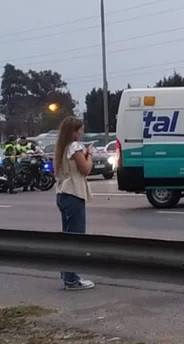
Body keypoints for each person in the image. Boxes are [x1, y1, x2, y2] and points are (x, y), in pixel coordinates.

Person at [53, 116, 95, 290]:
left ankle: (66, 274)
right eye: (80, 130)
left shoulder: (60, 148)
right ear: (74, 132)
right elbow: (85, 169)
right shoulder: (75, 146)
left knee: (67, 236)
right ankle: (71, 279)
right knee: (76, 239)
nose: (82, 132)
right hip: (74, 194)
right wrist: (89, 155)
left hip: (62, 194)